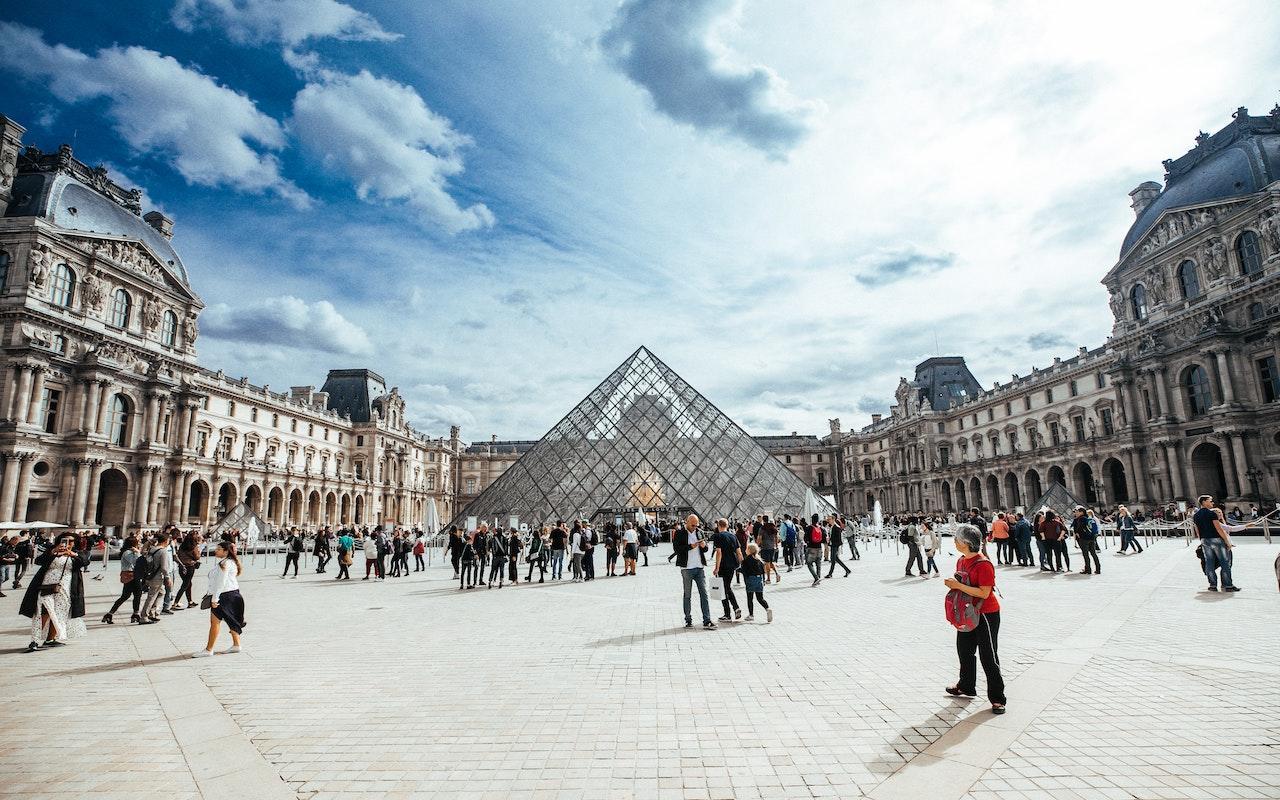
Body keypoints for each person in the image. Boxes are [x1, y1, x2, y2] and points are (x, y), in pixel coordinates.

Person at [943, 523, 1005, 715]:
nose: (954, 541)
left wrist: (958, 586)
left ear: (966, 542)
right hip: (967, 612)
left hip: (986, 613)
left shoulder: (984, 564)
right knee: (965, 651)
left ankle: (997, 698)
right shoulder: (961, 561)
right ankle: (966, 685)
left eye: (957, 539)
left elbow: (984, 593)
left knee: (989, 656)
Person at [20, 532, 90, 652]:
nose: (68, 543)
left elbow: (85, 562)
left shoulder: (77, 554)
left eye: (71, 541)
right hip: (46, 586)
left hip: (66, 588)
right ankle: (34, 640)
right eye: (65, 540)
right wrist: (53, 552)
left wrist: (72, 554)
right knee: (43, 612)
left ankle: (50, 638)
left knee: (59, 613)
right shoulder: (52, 551)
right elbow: (38, 560)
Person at [192, 541, 245, 657]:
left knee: (215, 622)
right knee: (230, 619)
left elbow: (221, 582)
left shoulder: (225, 564)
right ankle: (236, 645)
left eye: (219, 549)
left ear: (226, 551)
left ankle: (209, 649)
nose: (216, 550)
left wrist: (215, 599)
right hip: (232, 594)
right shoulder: (229, 562)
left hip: (224, 595)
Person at [674, 515, 715, 629]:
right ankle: (688, 620)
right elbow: (677, 549)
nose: (695, 527)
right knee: (687, 595)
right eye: (693, 525)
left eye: (697, 525)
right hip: (686, 568)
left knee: (704, 594)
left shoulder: (699, 532)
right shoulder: (679, 533)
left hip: (699, 567)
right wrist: (690, 546)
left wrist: (704, 546)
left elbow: (705, 549)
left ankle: (707, 620)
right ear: (687, 522)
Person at [1194, 495, 1240, 592]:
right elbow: (1219, 529)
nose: (1212, 503)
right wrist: (1227, 542)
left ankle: (1212, 585)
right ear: (1204, 502)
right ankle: (1228, 585)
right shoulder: (1212, 514)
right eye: (1210, 501)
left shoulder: (1196, 515)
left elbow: (1197, 531)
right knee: (1225, 562)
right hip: (1216, 540)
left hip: (1204, 540)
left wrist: (1201, 541)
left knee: (1209, 563)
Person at [712, 518, 743, 622]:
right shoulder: (733, 536)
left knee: (723, 589)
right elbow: (739, 552)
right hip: (732, 566)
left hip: (723, 566)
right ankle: (734, 609)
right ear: (727, 525)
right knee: (727, 587)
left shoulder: (718, 536)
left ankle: (729, 612)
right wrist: (741, 564)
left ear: (718, 525)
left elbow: (719, 553)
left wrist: (716, 567)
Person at [141, 533, 172, 622]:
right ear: (166, 541)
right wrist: (168, 577)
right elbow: (164, 567)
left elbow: (143, 553)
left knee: (161, 592)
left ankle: (152, 612)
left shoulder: (152, 549)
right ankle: (144, 616)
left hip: (150, 575)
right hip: (157, 577)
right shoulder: (163, 551)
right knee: (151, 596)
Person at [740, 542, 772, 622]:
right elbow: (762, 571)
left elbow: (745, 571)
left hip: (750, 579)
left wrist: (738, 570)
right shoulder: (759, 560)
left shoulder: (746, 560)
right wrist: (763, 580)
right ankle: (767, 609)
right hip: (759, 579)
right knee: (760, 598)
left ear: (749, 550)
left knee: (750, 598)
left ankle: (751, 615)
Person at [174, 532, 202, 609]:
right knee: (185, 585)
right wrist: (199, 552)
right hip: (189, 567)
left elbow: (179, 555)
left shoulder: (182, 546)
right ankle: (175, 603)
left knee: (188, 584)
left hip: (182, 567)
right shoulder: (194, 546)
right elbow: (197, 557)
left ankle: (190, 602)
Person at [757, 515, 780, 583]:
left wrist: (758, 546)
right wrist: (776, 545)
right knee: (770, 562)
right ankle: (777, 573)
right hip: (772, 547)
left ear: (763, 520)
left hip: (765, 547)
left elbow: (760, 538)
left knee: (767, 563)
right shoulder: (773, 527)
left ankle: (768, 579)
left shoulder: (762, 528)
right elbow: (776, 537)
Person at [804, 515, 825, 586]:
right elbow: (824, 539)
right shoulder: (821, 528)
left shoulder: (809, 528)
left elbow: (805, 538)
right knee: (818, 564)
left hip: (811, 548)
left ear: (812, 520)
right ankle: (818, 577)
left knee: (809, 563)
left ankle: (816, 578)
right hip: (819, 548)